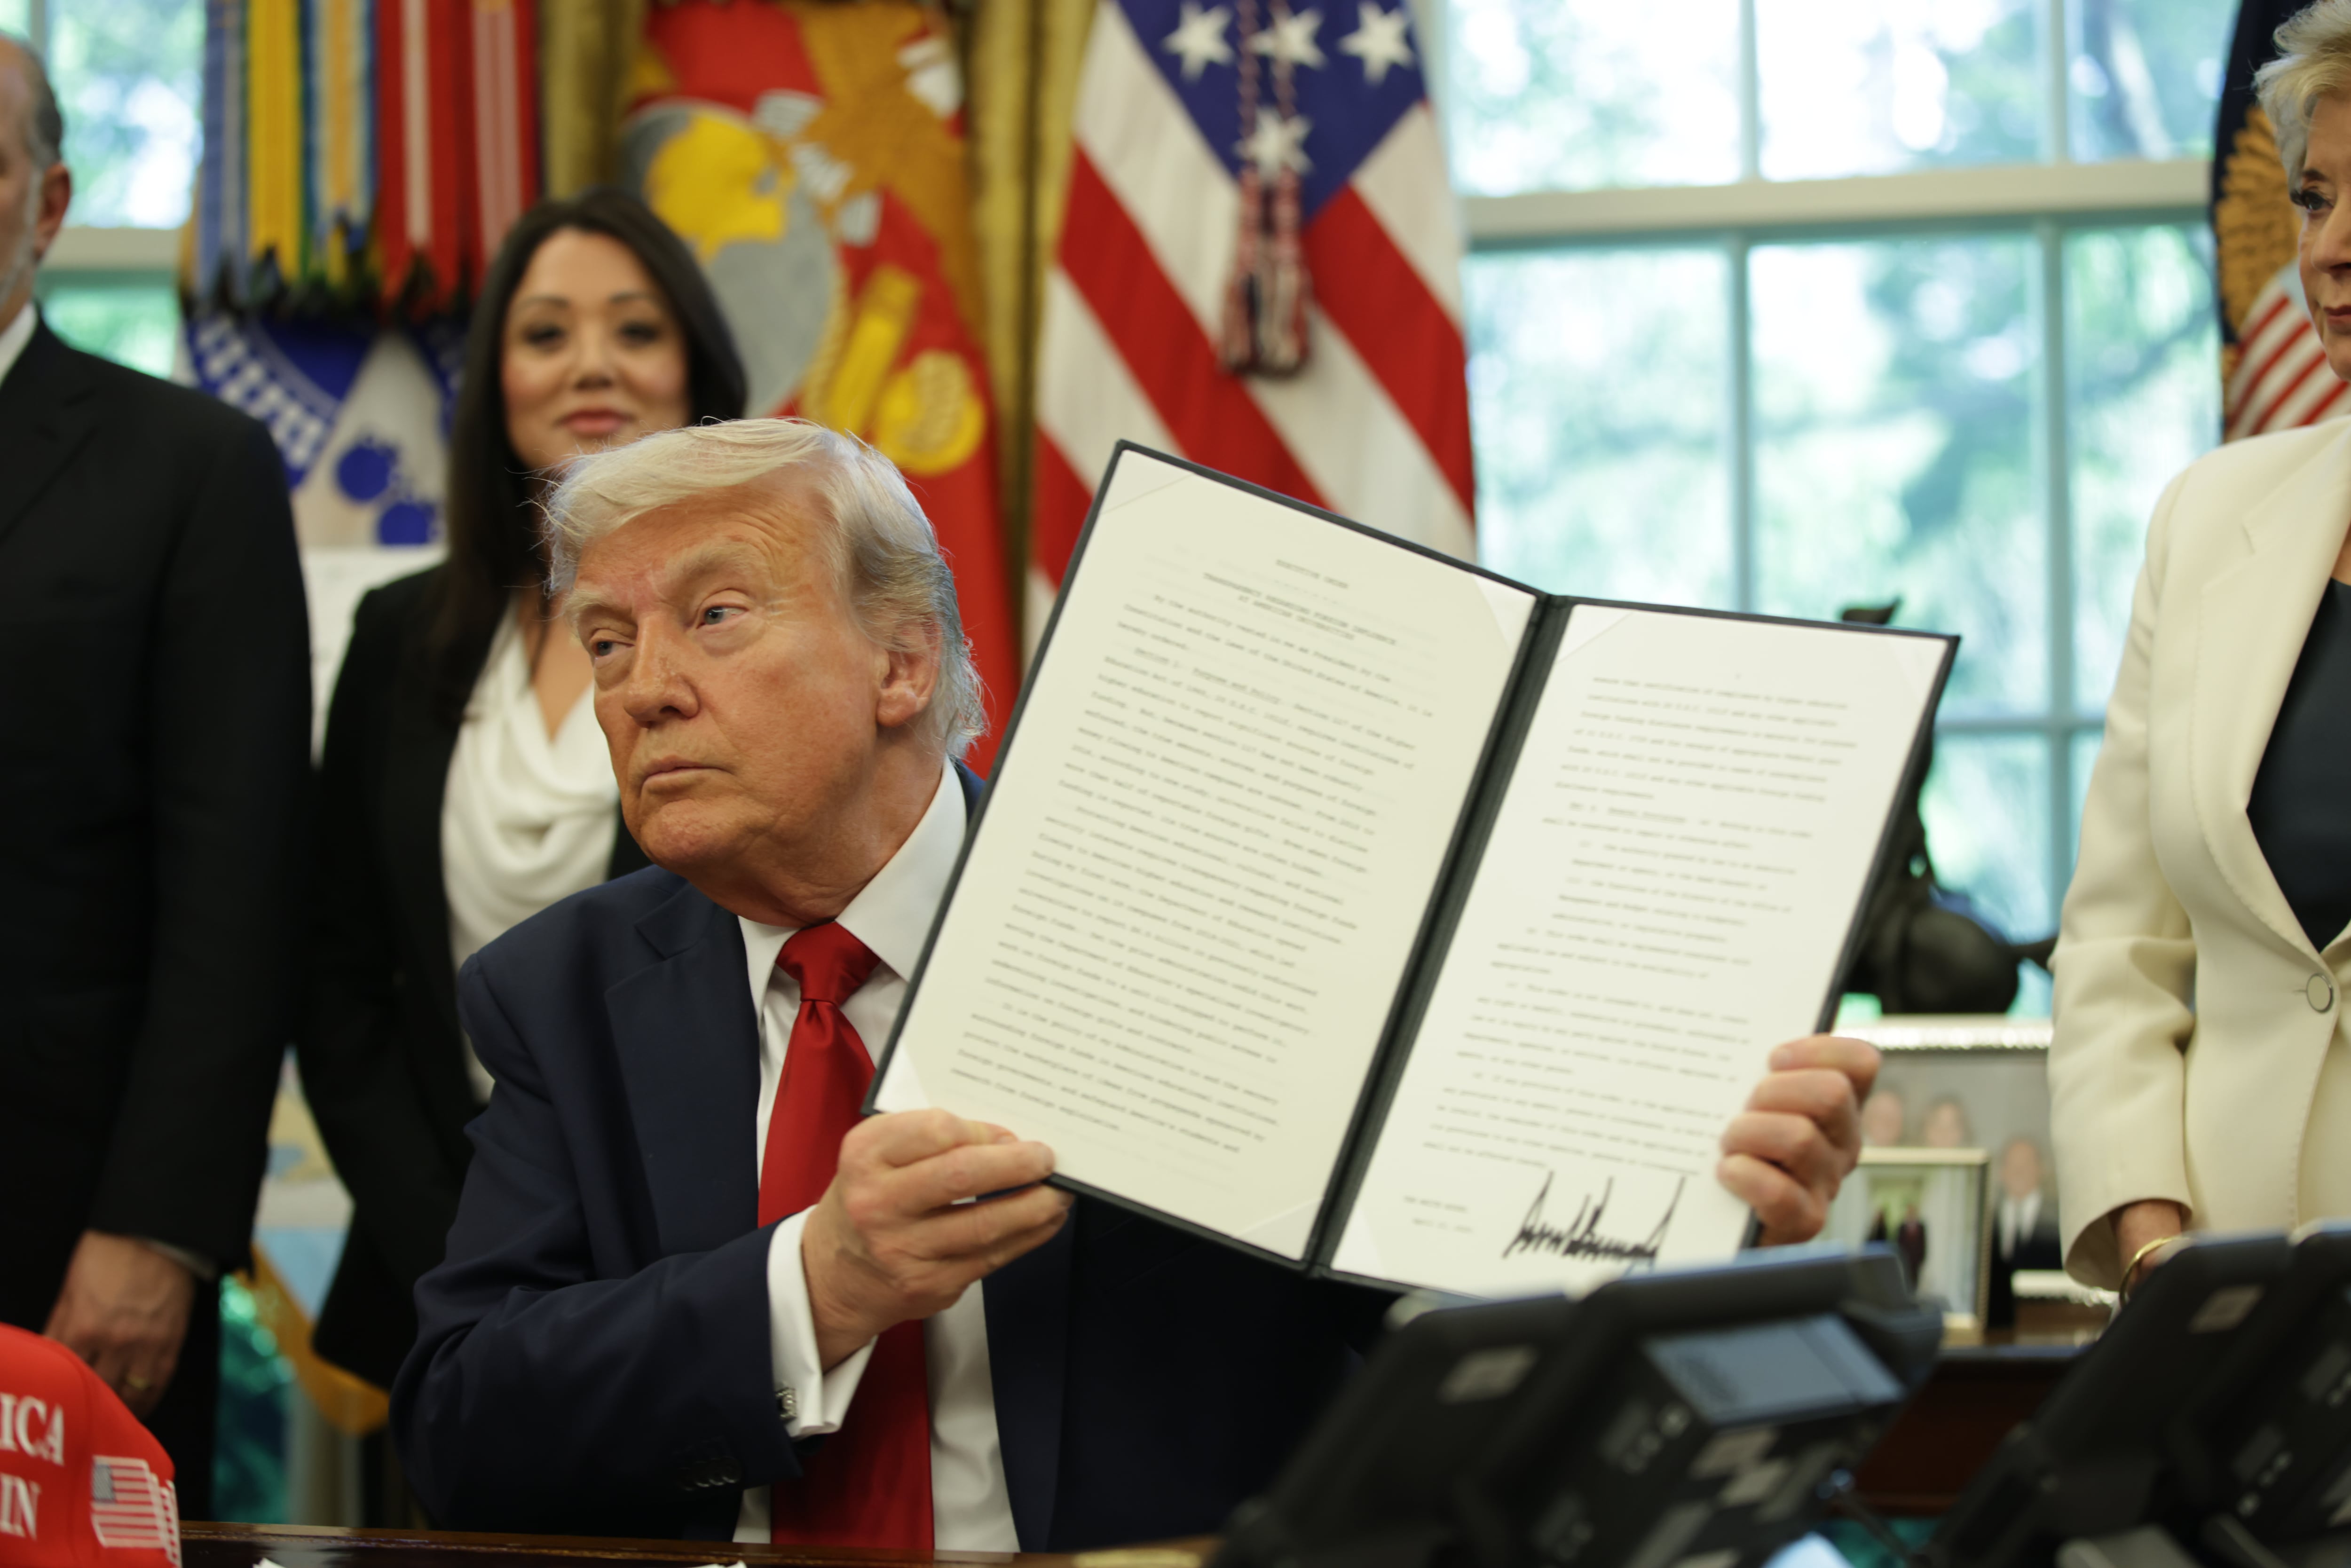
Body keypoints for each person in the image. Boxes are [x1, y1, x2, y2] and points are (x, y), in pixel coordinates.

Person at [390, 418, 1883, 1550]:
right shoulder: (565, 990)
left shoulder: (1203, 913)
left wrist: (1695, 1209)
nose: (641, 684)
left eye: (713, 617)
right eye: (605, 638)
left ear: (901, 661)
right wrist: (814, 1287)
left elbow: (1447, 1287)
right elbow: (459, 1417)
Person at [296, 187, 747, 1394]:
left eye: (635, 330)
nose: (590, 364)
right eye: (546, 332)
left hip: (693, 1262)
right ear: (497, 378)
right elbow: (338, 983)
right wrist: (455, 1237)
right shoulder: (402, 636)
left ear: (697, 371)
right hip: (434, 1264)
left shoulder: (765, 643)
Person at [0, 33, 310, 1520]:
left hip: (62, 1237)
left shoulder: (193, 468)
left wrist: (161, 1228)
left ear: (45, 200)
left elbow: (238, 885)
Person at [2051, 0, 2351, 1294]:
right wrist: (2156, 1247)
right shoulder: (2206, 515)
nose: (2330, 252)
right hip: (2223, 1344)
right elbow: (2122, 947)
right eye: (2316, 198)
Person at [1987, 1137, 2060, 1329]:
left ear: (2041, 1169)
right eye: (2012, 1164)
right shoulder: (1985, 1220)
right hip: (1995, 1328)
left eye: (2026, 1164)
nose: (2018, 1171)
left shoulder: (2058, 1219)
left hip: (2047, 1323)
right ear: (2001, 1171)